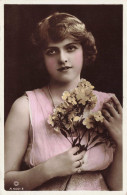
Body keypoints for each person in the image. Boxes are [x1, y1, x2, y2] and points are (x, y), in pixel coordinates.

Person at [4, 12, 122, 191]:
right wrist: (47, 170)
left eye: (71, 47)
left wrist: (122, 142)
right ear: (41, 58)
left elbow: (119, 188)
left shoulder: (108, 105)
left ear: (84, 50)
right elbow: (5, 184)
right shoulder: (25, 107)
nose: (62, 58)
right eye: (52, 51)